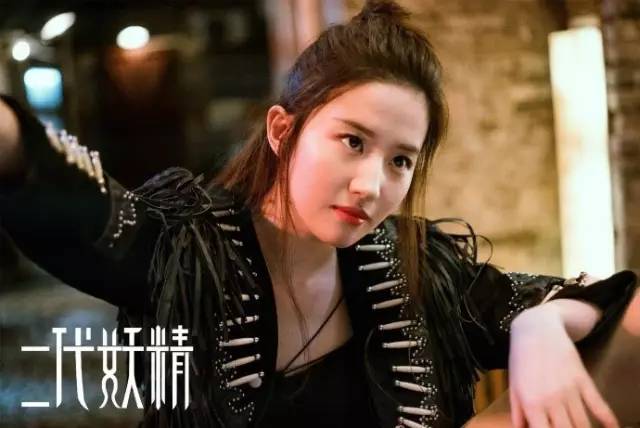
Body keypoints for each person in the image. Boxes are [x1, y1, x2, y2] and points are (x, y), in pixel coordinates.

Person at [0, 1, 637, 427]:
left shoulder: (418, 268)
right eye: (352, 141)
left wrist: (539, 325)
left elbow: (610, 305)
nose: (371, 185)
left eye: (401, 160)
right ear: (283, 131)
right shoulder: (188, 249)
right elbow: (80, 209)